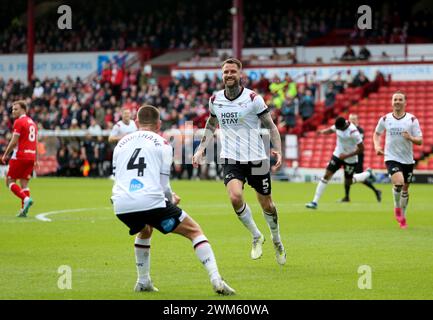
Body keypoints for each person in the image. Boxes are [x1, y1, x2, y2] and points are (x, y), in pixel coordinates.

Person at [112, 105, 235, 295]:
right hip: (150, 201)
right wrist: (170, 199)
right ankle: (216, 279)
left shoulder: (120, 144)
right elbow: (164, 185)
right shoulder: (163, 143)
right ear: (159, 124)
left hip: (121, 204)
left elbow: (117, 177)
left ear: (136, 123)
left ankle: (143, 281)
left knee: (145, 229)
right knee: (195, 231)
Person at [192, 58, 286, 265]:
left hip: (257, 158)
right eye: (226, 72)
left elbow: (270, 125)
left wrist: (278, 150)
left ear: (240, 74)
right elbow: (211, 123)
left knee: (267, 204)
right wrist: (200, 150)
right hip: (231, 158)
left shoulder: (253, 98)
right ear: (222, 75)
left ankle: (276, 239)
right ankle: (255, 235)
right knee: (235, 197)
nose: (229, 75)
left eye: (233, 71)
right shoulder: (215, 99)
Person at [373, 91, 422, 229]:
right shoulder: (385, 119)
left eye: (400, 99)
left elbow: (420, 140)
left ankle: (403, 216)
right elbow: (376, 134)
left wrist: (411, 138)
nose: (397, 102)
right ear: (392, 102)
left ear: (405, 102)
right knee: (399, 183)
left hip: (407, 159)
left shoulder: (412, 120)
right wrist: (377, 146)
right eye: (395, 99)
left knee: (405, 190)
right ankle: (396, 207)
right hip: (391, 157)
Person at [305, 116, 375, 209]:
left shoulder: (353, 132)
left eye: (339, 129)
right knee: (326, 175)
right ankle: (314, 202)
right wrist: (322, 132)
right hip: (338, 155)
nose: (337, 130)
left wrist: (346, 156)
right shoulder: (338, 125)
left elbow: (362, 149)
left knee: (348, 182)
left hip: (350, 159)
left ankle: (367, 173)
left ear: (344, 126)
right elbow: (331, 130)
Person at [1, 100, 37, 217]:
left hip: (20, 156)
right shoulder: (32, 123)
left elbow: (14, 141)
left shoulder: (19, 122)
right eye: (12, 109)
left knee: (9, 181)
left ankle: (25, 199)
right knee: (24, 183)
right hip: (31, 156)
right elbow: (34, 142)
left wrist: (5, 153)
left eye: (15, 109)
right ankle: (23, 210)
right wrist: (35, 158)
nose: (13, 111)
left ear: (23, 109)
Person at [341, 114, 382, 202]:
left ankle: (375, 189)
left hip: (357, 156)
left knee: (358, 176)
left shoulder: (359, 130)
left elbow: (357, 144)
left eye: (354, 119)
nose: (352, 121)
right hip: (349, 156)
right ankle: (347, 197)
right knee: (348, 176)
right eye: (350, 119)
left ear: (357, 120)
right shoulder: (346, 130)